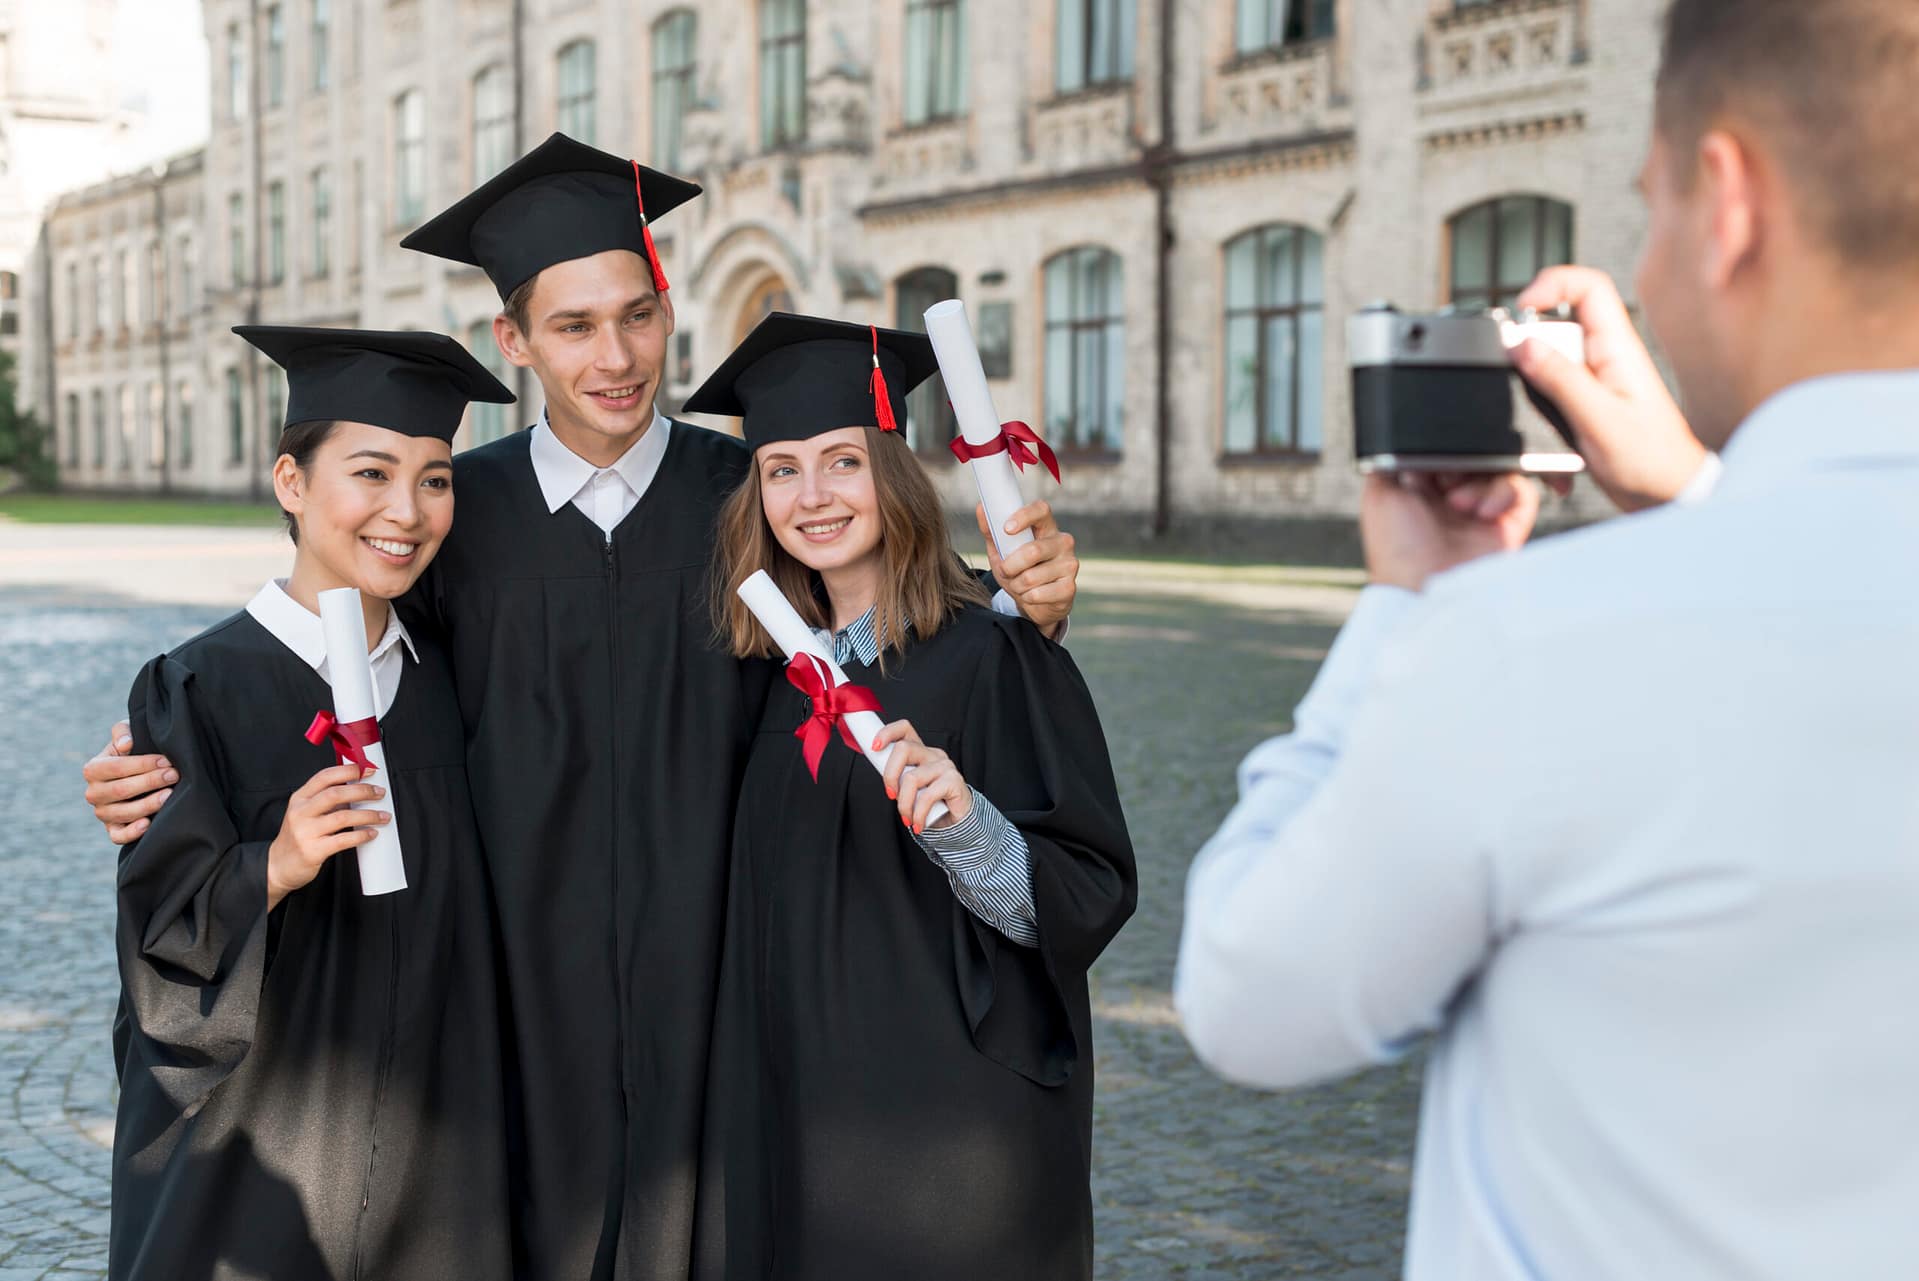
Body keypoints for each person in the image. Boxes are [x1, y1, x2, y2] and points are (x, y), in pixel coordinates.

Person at [85, 134, 1084, 1281]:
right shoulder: (461, 515)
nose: (616, 356)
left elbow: (900, 638)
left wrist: (1028, 606)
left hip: (720, 1008)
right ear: (510, 342)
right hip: (504, 1017)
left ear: (668, 310)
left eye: (639, 314)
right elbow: (338, 656)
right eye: (571, 326)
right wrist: (162, 766)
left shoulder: (749, 501)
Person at [1174, 1, 1919, 1277]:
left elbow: (1248, 999)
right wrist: (1695, 493)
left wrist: (1414, 607)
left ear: (1724, 201)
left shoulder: (1530, 647)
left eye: (1651, 205)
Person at [685, 314, 1136, 1281]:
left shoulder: (991, 650)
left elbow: (1082, 891)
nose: (811, 497)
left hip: (949, 1124)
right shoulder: (766, 677)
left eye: (841, 462)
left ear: (891, 474)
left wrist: (969, 825)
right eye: (780, 470)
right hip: (799, 1107)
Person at [111, 327, 517, 1280]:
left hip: (437, 1143)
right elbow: (161, 950)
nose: (405, 511)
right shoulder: (200, 687)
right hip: (268, 1142)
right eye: (370, 473)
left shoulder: (449, 679)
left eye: (434, 478)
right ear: (291, 484)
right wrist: (277, 862)